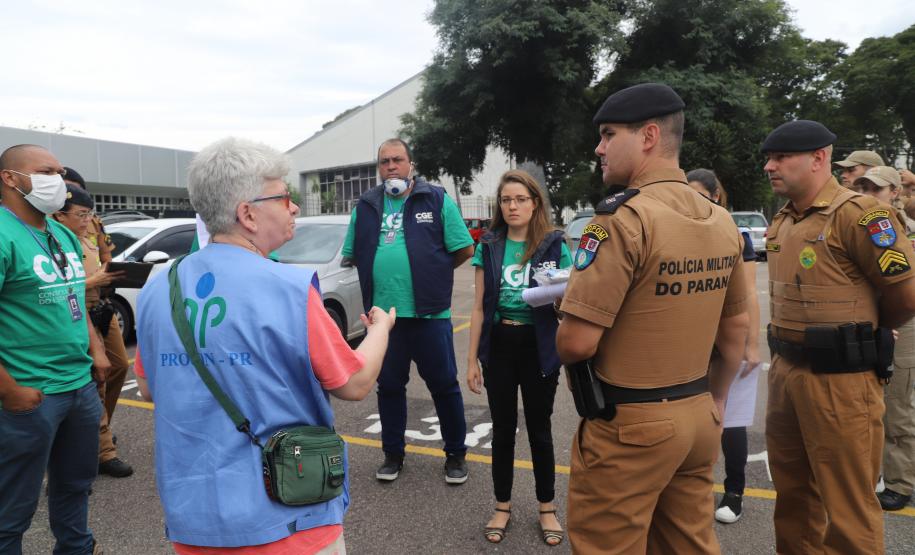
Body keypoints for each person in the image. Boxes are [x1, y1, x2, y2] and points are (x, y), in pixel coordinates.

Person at [133, 137, 395, 554]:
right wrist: (380, 328)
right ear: (248, 213)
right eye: (284, 196)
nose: (293, 207)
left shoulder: (158, 286)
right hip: (288, 517)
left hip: (193, 519)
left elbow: (148, 388)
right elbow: (355, 383)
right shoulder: (288, 288)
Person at [555, 83, 750, 554]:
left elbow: (576, 344)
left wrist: (562, 313)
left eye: (607, 134)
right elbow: (735, 332)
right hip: (698, 415)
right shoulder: (721, 220)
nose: (599, 148)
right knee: (688, 544)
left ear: (646, 137)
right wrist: (717, 401)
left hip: (632, 428)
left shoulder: (619, 221)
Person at [762, 120, 915, 554]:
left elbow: (904, 296)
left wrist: (869, 332)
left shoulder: (861, 215)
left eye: (780, 158)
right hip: (786, 373)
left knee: (848, 509)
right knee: (793, 498)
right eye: (768, 159)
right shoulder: (783, 220)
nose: (769, 166)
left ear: (818, 158)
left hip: (841, 381)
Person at [341, 138, 475, 484]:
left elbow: (463, 248)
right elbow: (353, 253)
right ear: (379, 167)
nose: (391, 167)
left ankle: (456, 455)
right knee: (388, 387)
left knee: (444, 386)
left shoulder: (435, 199)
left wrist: (434, 272)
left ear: (410, 165)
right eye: (384, 161)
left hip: (430, 315)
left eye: (397, 160)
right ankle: (393, 455)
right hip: (384, 321)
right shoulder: (367, 206)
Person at [0, 144, 110, 555]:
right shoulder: (3, 233)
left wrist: (95, 350)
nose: (58, 181)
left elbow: (74, 301)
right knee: (13, 505)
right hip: (29, 395)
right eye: (46, 172)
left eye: (60, 171)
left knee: (75, 486)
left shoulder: (60, 232)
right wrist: (10, 391)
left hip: (77, 386)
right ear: (10, 178)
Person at [465, 169, 572, 546]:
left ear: (535, 203)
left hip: (540, 344)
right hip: (501, 343)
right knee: (503, 430)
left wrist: (560, 295)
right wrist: (472, 359)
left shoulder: (554, 243)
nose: (512, 206)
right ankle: (503, 504)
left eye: (520, 199)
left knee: (540, 430)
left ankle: (547, 507)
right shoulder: (490, 243)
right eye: (507, 200)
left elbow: (568, 296)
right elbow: (478, 307)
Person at [686, 169, 762, 524]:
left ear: (717, 196)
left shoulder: (736, 234)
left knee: (730, 422)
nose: (693, 202)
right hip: (691, 340)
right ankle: (693, 491)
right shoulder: (679, 233)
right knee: (691, 420)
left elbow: (748, 294)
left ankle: (734, 492)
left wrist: (752, 344)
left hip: (727, 340)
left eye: (701, 195)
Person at [58, 169, 134, 479]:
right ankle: (101, 447)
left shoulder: (91, 226)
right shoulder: (51, 236)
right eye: (80, 212)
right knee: (94, 380)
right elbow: (56, 290)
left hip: (100, 305)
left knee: (116, 367)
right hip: (75, 309)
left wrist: (111, 274)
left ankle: (98, 430)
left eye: (88, 211)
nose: (87, 218)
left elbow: (104, 255)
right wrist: (93, 279)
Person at [854, 166, 915, 512]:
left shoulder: (909, 232)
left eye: (874, 189)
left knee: (896, 410)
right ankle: (874, 476)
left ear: (894, 192)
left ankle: (899, 483)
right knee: (864, 408)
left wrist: (891, 319)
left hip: (901, 326)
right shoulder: (856, 228)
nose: (865, 193)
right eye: (861, 186)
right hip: (866, 325)